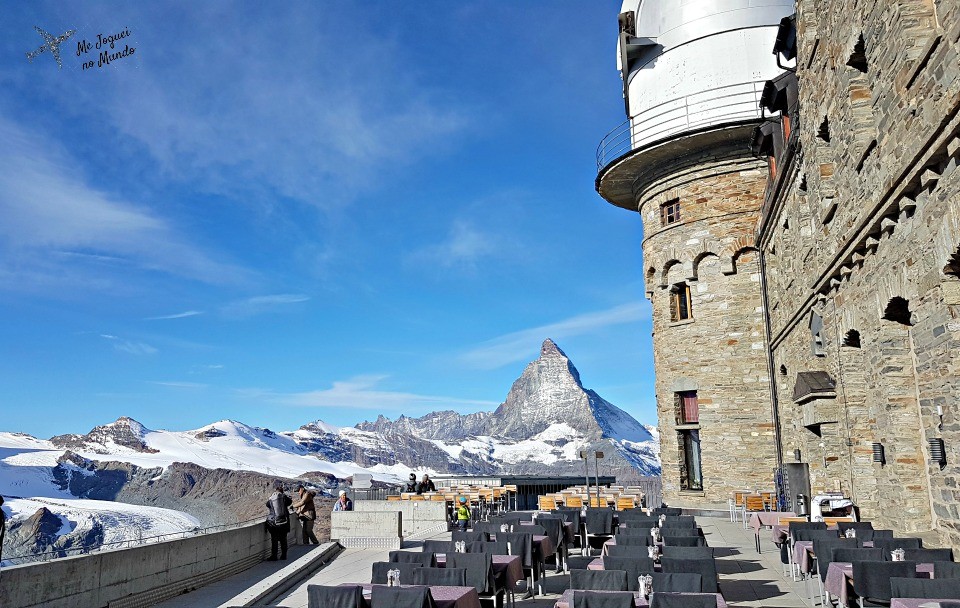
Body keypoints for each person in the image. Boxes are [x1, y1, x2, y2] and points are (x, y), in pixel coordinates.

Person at [265, 481, 292, 561]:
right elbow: (290, 502)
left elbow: (267, 505)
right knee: (283, 539)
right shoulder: (284, 497)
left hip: (274, 522)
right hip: (284, 521)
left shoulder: (271, 499)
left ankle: (274, 556)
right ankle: (284, 555)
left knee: (274, 539)